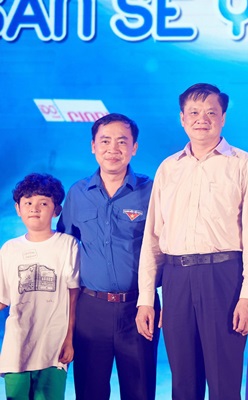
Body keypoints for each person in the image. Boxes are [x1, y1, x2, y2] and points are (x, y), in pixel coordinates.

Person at [135, 83, 248, 400]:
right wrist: (146, 298)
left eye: (211, 112)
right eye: (194, 112)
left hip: (224, 277)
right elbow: (153, 237)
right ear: (182, 118)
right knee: (183, 382)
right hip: (176, 278)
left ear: (223, 118)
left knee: (224, 382)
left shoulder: (244, 165)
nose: (202, 119)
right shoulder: (169, 168)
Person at [57, 113, 159, 400]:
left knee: (140, 391)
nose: (113, 149)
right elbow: (64, 246)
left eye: (122, 141)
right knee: (90, 391)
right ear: (93, 146)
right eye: (105, 141)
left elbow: (165, 247)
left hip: (138, 308)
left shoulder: (152, 191)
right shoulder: (78, 193)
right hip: (91, 309)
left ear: (134, 147)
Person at [0, 173, 79, 400]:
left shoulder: (68, 245)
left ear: (56, 210)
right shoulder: (9, 249)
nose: (34, 208)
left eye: (43, 203)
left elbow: (74, 296)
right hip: (17, 347)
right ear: (18, 209)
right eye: (28, 203)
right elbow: (3, 298)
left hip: (53, 349)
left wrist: (69, 339)